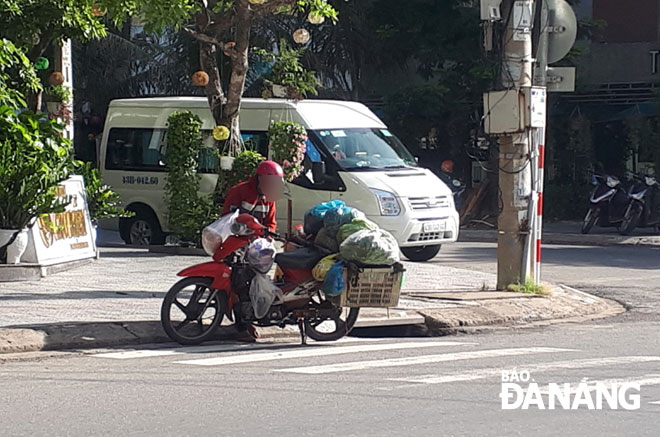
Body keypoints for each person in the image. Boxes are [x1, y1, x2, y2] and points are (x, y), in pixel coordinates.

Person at [221, 160, 285, 233]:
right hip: (234, 235)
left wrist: (269, 233)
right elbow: (226, 217)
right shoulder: (239, 191)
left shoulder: (270, 199)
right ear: (259, 179)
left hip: (257, 239)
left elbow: (270, 222)